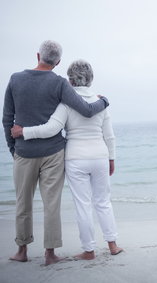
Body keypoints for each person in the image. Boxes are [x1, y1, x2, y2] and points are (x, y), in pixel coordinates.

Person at [2, 40, 109, 265]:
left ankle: (21, 251)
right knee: (52, 205)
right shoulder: (60, 84)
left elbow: (7, 119)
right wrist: (105, 101)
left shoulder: (15, 79)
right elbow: (88, 110)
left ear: (38, 54)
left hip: (24, 152)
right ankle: (50, 254)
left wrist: (14, 148)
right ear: (58, 62)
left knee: (23, 203)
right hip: (53, 153)